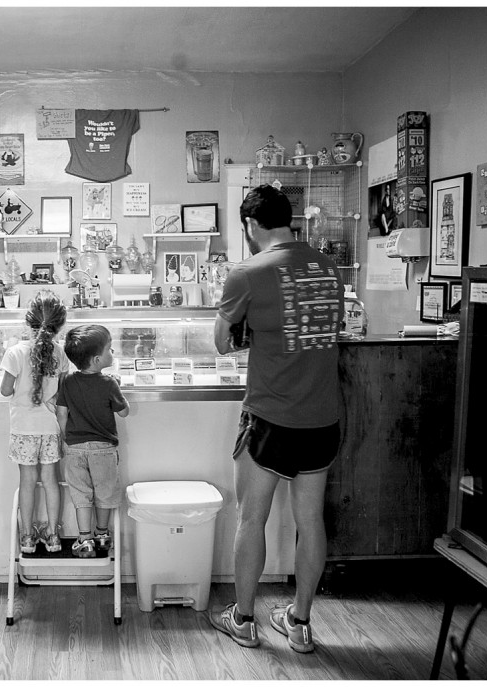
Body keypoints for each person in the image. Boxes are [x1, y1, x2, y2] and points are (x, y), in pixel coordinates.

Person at [210, 184, 344, 654]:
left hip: (269, 416)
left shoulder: (246, 272)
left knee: (252, 518)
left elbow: (223, 343)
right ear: (289, 219)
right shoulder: (329, 267)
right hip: (323, 418)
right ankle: (300, 623)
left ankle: (244, 620)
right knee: (311, 521)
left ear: (250, 225)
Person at [0, 293, 70, 555]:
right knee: (51, 481)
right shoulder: (61, 354)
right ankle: (53, 536)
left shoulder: (15, 352)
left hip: (22, 429)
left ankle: (27, 538)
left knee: (27, 481)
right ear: (59, 326)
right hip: (50, 428)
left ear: (28, 322)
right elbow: (62, 393)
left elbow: (6, 391)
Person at [55, 324, 129, 557]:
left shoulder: (66, 381)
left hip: (75, 449)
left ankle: (85, 540)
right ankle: (102, 535)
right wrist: (119, 388)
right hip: (104, 450)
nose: (112, 353)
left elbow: (61, 413)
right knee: (104, 494)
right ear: (97, 359)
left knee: (81, 495)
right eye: (110, 349)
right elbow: (124, 412)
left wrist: (67, 439)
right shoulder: (109, 383)